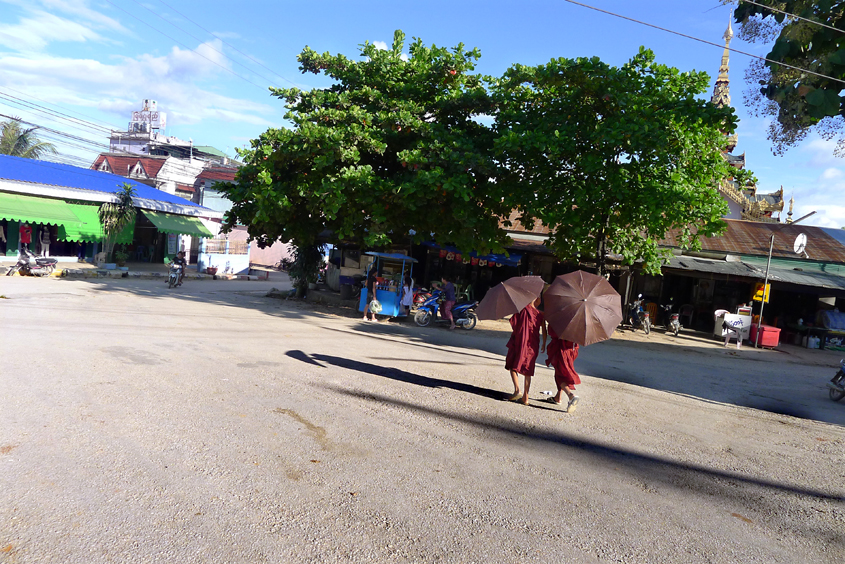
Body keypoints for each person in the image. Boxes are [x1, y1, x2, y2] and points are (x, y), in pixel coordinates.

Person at [504, 297, 547, 404]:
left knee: (513, 365)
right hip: (533, 345)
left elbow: (514, 323)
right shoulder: (540, 314)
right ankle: (526, 397)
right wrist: (544, 344)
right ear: (537, 299)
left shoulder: (522, 309)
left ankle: (517, 390)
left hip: (520, 342)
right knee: (528, 370)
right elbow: (544, 331)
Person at [544, 324, 581, 413]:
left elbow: (552, 332)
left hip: (562, 350)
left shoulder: (562, 318)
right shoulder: (578, 322)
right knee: (562, 372)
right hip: (572, 349)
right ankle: (558, 397)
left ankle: (571, 396)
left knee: (560, 375)